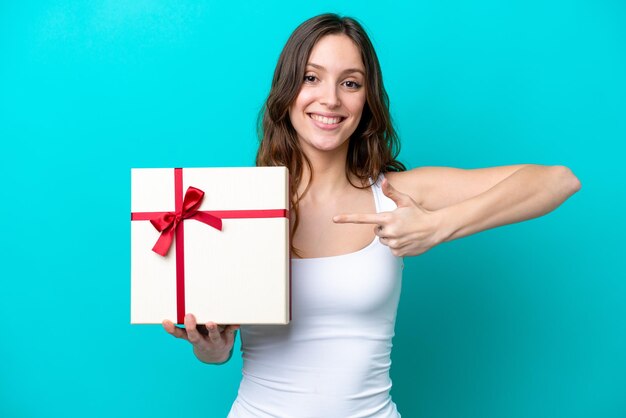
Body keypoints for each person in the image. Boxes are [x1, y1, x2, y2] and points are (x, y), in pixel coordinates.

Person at [162, 13, 581, 417]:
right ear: (286, 89)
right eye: (311, 77)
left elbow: (557, 181)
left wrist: (438, 226)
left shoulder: (396, 194)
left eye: (350, 83)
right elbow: (218, 352)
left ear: (367, 99)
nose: (330, 98)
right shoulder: (236, 206)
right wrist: (211, 347)